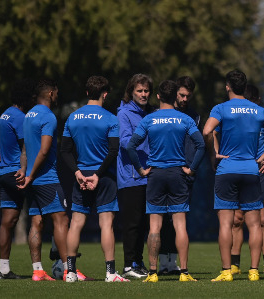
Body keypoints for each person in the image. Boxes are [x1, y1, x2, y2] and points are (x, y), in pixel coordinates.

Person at [202, 70, 264, 282]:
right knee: (255, 223)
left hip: (227, 169)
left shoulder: (220, 108)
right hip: (251, 170)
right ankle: (254, 271)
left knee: (226, 223)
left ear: (228, 86)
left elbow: (206, 131)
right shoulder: (259, 110)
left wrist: (213, 155)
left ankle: (226, 271)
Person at [127, 80, 206, 282]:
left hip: (156, 175)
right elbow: (201, 145)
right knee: (180, 225)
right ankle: (185, 273)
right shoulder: (185, 119)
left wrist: (141, 169)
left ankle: (153, 273)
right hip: (178, 174)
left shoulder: (149, 120)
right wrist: (192, 169)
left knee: (154, 226)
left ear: (159, 97)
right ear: (175, 97)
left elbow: (130, 146)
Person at [60, 76, 128, 282]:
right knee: (106, 224)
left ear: (87, 92)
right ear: (105, 94)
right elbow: (114, 150)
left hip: (81, 176)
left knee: (76, 223)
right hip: (103, 177)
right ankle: (110, 273)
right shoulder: (110, 118)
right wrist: (98, 174)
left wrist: (77, 173)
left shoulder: (72, 118)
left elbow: (64, 150)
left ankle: (70, 272)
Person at [18, 79, 70, 281]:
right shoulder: (48, 116)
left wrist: (24, 171)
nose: (57, 96)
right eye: (56, 93)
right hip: (46, 178)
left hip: (31, 180)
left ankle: (37, 270)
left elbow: (24, 149)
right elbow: (45, 148)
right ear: (50, 93)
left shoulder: (28, 115)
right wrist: (30, 174)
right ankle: (69, 269)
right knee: (61, 220)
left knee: (36, 222)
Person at [0, 79, 35, 279]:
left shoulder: (5, 114)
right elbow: (25, 148)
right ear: (26, 98)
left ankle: (3, 270)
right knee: (52, 211)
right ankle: (55, 261)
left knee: (8, 221)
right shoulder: (21, 117)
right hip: (17, 173)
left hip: (3, 174)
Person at [229, 84, 264, 277]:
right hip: (239, 170)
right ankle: (234, 263)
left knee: (263, 220)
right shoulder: (233, 114)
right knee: (237, 220)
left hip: (259, 172)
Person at [156, 76, 199, 275]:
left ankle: (172, 261)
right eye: (181, 95)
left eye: (187, 96)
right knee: (160, 219)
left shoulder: (193, 116)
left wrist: (191, 169)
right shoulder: (159, 114)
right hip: (161, 171)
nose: (184, 99)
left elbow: (196, 146)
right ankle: (161, 262)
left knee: (177, 220)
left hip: (183, 173)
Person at [116, 74, 155, 279]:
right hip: (131, 175)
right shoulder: (124, 113)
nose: (143, 94)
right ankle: (128, 265)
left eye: (146, 91)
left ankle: (138, 262)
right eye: (139, 91)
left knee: (142, 223)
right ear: (131, 92)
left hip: (147, 175)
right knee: (132, 223)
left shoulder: (148, 113)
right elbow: (124, 141)